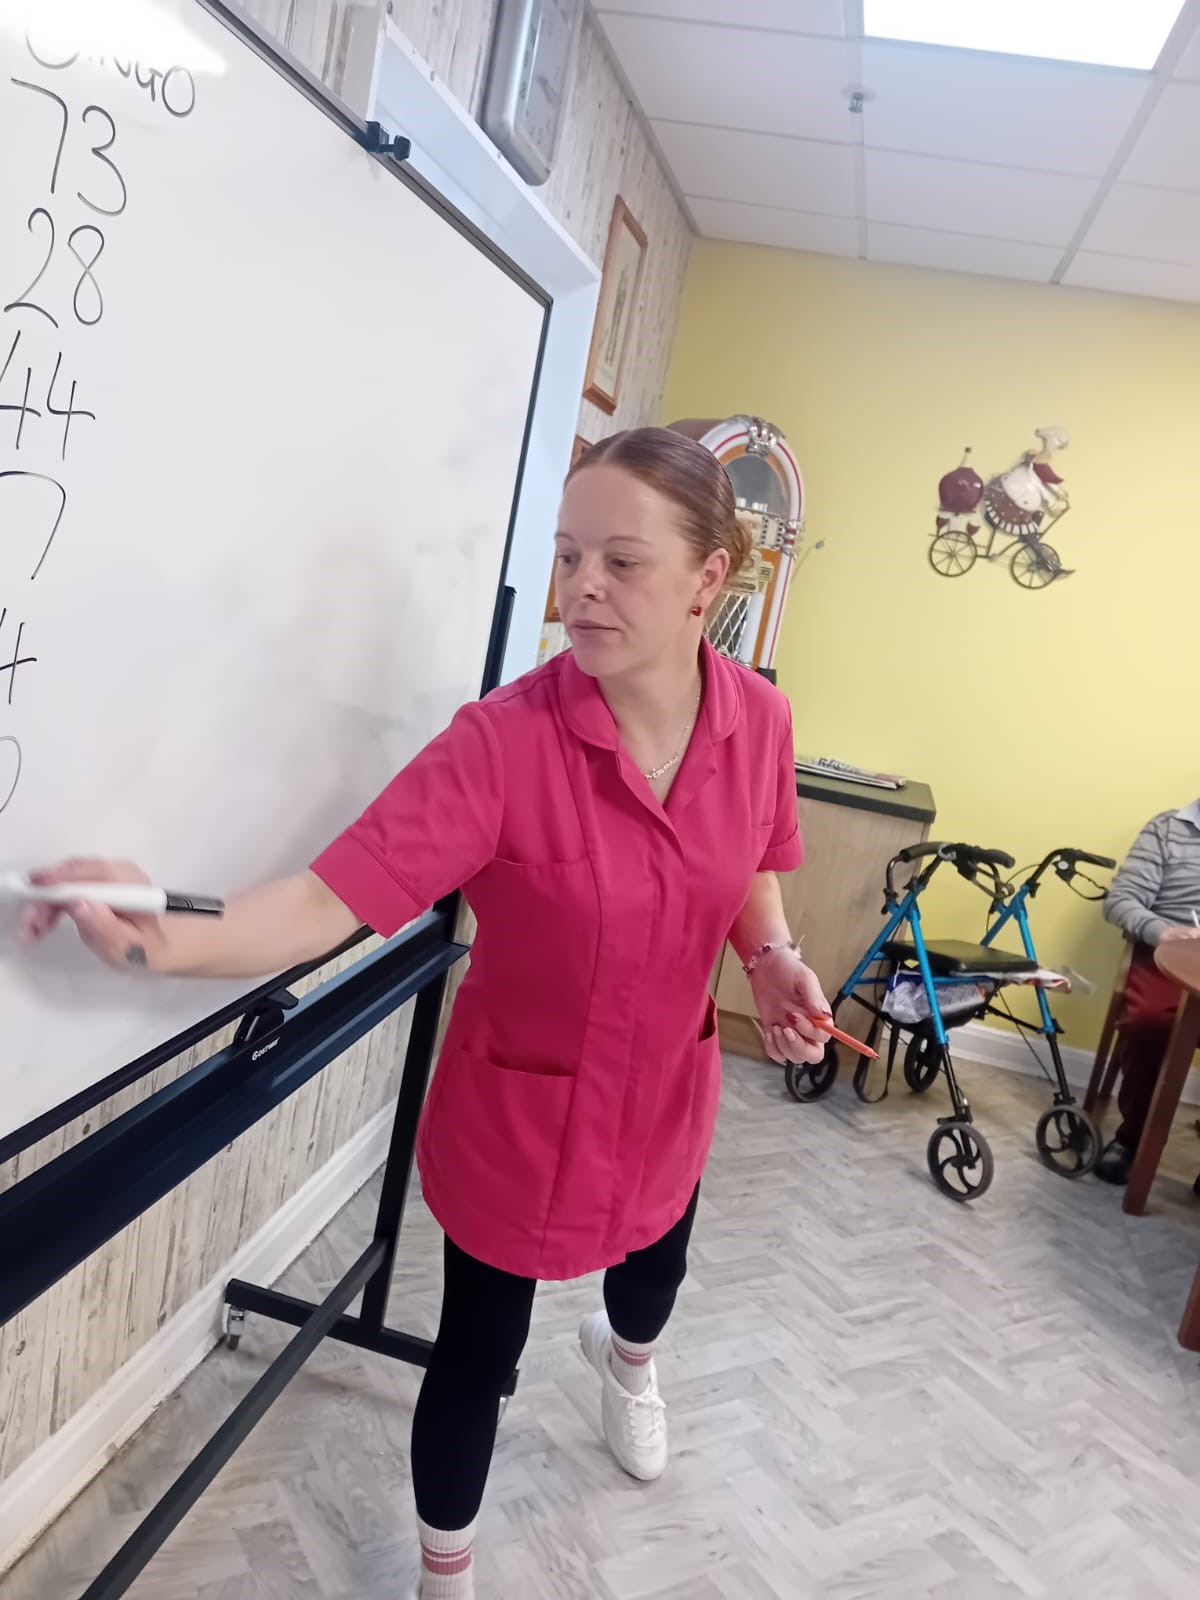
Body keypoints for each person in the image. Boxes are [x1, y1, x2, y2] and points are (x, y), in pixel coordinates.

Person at [23, 428, 831, 1600]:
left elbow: (753, 854)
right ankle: (444, 1572)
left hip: (668, 1088)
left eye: (621, 561)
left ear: (709, 579)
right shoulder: (503, 745)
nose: (581, 587)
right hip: (524, 1111)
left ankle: (629, 1365)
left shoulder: (759, 719)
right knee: (477, 1352)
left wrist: (773, 955)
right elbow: (324, 902)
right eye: (567, 555)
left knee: (654, 1273)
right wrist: (158, 936)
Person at [1095, 798, 1200, 1186]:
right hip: (1168, 954)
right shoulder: (1168, 829)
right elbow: (1120, 900)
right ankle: (1134, 1136)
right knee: (1148, 1022)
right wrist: (1162, 931)